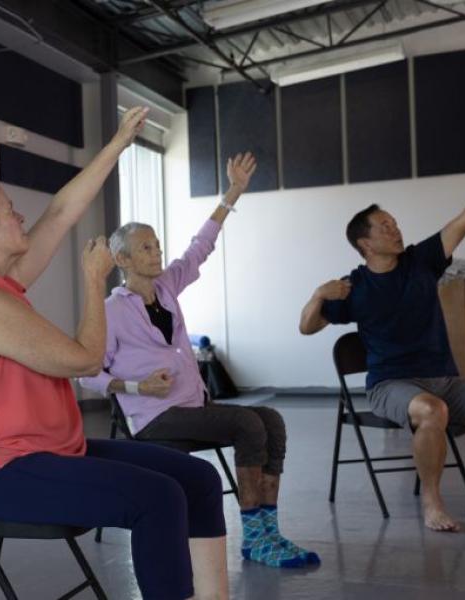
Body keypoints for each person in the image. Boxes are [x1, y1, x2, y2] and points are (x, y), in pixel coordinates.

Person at [0, 108, 229, 600]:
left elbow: (61, 211)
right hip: (5, 474)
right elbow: (85, 360)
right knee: (159, 498)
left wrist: (119, 143)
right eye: (11, 209)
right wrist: (91, 279)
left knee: (199, 477)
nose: (22, 215)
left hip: (52, 452)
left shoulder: (0, 284)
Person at [79, 152, 319, 568]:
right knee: (246, 422)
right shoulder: (112, 311)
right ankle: (255, 536)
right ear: (122, 261)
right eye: (145, 248)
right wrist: (135, 387)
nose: (156, 253)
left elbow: (199, 247)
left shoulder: (168, 285)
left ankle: (267, 533)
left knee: (272, 421)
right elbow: (87, 374)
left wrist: (233, 192)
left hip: (193, 408)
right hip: (154, 417)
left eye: (156, 245)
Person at [298, 139, 465, 532]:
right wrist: (317, 295)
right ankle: (432, 505)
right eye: (385, 227)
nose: (395, 229)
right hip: (391, 385)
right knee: (431, 411)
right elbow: (307, 327)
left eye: (395, 222)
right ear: (365, 243)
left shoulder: (422, 261)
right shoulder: (354, 286)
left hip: (445, 380)